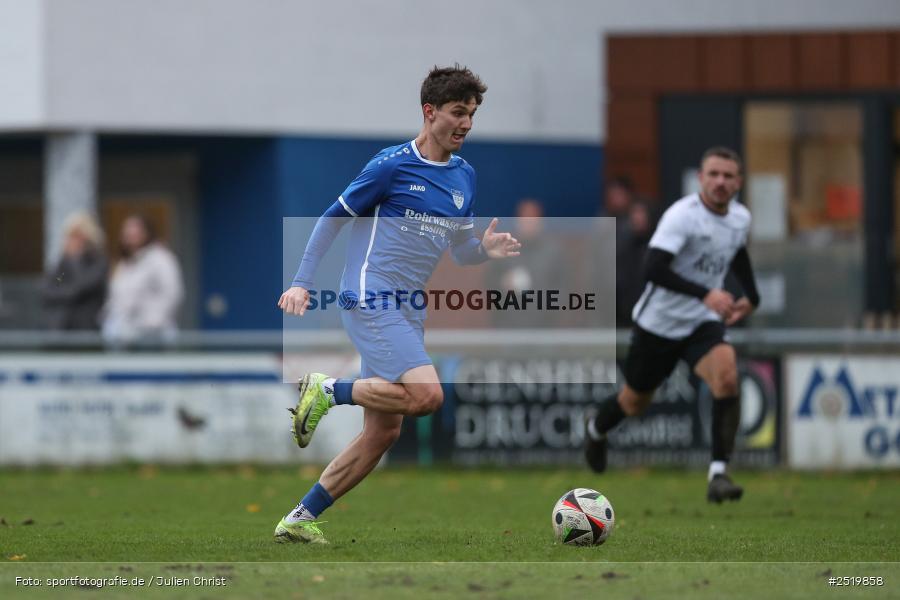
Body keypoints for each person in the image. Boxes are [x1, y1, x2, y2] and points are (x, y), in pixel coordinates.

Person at [275, 65, 521, 544]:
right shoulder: (391, 165)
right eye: (457, 112)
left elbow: (460, 250)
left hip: (406, 308)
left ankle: (298, 520)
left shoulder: (464, 178)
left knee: (384, 432)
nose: (466, 123)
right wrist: (302, 281)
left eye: (471, 114)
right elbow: (332, 219)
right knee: (429, 397)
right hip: (371, 294)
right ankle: (328, 390)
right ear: (430, 113)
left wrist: (484, 252)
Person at [584, 147, 760, 504]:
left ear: (739, 182)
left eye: (728, 176)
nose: (720, 182)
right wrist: (706, 294)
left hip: (701, 323)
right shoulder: (682, 216)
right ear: (701, 178)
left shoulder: (740, 218)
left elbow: (736, 251)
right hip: (658, 325)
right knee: (634, 402)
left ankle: (718, 474)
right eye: (713, 174)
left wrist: (752, 296)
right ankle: (596, 429)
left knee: (726, 376)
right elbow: (653, 268)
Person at [101, 214, 184, 345]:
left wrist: (152, 323)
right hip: (124, 337)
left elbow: (172, 293)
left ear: (146, 232)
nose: (130, 235)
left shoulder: (161, 258)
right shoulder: (124, 264)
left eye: (135, 230)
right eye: (126, 231)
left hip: (153, 337)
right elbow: (116, 297)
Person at [485, 198, 564, 327]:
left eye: (532, 218)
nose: (528, 223)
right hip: (510, 327)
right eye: (524, 218)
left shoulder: (553, 253)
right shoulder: (504, 249)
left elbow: (562, 287)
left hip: (544, 328)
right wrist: (503, 284)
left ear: (540, 221)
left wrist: (550, 310)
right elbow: (490, 283)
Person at [42, 212, 109, 330]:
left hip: (87, 327)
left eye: (77, 236)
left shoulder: (97, 262)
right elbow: (52, 286)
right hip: (62, 326)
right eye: (70, 236)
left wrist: (75, 259)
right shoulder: (64, 265)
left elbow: (81, 285)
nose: (72, 240)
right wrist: (67, 291)